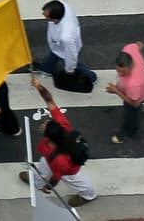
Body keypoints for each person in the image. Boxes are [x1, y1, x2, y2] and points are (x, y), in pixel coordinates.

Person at [21, 77, 97, 207]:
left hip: (68, 170)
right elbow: (49, 101)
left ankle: (88, 195)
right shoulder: (62, 124)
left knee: (78, 181)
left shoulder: (60, 160)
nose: (44, 124)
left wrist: (49, 187)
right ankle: (37, 182)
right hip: (49, 158)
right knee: (43, 167)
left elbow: (56, 177)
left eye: (46, 126)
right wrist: (40, 87)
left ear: (51, 139)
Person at [39, 0, 96, 83]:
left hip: (63, 48)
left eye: (47, 16)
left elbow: (71, 54)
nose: (43, 14)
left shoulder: (66, 37)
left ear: (55, 20)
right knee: (53, 54)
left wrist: (70, 69)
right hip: (56, 44)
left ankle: (90, 77)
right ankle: (46, 68)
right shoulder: (61, 6)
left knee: (73, 63)